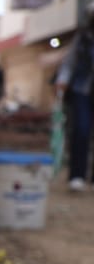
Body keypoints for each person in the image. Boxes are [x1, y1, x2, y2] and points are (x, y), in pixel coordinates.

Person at [56, 16, 94, 191]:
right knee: (81, 130)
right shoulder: (83, 39)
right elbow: (69, 64)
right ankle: (77, 175)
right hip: (82, 91)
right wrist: (62, 81)